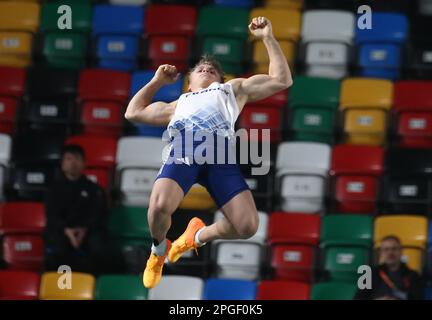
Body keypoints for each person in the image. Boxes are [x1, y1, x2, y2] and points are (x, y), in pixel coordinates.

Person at [125, 16, 293, 288]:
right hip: (184, 152)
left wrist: (267, 38)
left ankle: (196, 236)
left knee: (247, 226)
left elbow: (281, 80)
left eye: (212, 70)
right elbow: (133, 112)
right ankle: (158, 252)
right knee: (157, 207)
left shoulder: (232, 89)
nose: (207, 69)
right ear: (188, 82)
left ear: (221, 78)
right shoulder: (177, 104)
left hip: (220, 159)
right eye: (200, 68)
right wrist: (157, 81)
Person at [44, 144, 111, 275]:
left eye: (77, 159)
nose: (73, 163)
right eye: (69, 159)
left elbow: (98, 214)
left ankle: (93, 286)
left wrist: (84, 229)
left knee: (100, 248)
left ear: (84, 163)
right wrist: (67, 230)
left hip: (88, 231)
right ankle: (60, 287)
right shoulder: (53, 189)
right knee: (58, 249)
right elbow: (52, 215)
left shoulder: (94, 189)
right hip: (62, 231)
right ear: (62, 164)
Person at [355, 235, 424, 300]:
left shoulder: (413, 276)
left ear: (401, 251)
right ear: (381, 253)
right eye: (386, 249)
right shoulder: (369, 274)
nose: (390, 252)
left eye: (394, 249)